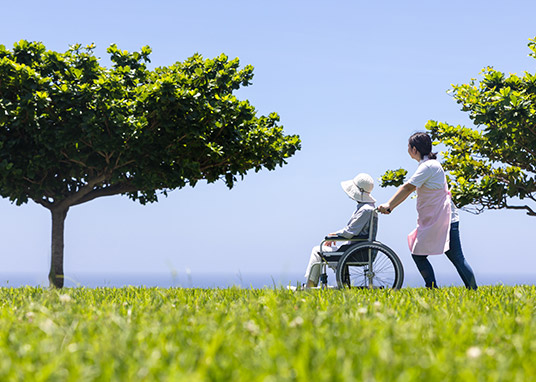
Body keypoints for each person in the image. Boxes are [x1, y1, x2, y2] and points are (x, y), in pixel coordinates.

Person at [377, 132, 477, 289]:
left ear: (414, 149)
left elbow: (408, 187)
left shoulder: (428, 167)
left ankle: (444, 289)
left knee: (451, 257)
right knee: (425, 255)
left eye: (409, 147)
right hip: (440, 219)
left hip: (444, 219)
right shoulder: (429, 165)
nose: (408, 149)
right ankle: (437, 288)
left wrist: (389, 205)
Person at [303, 173, 376, 288]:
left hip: (355, 251)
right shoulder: (368, 208)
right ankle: (312, 284)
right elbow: (352, 231)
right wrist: (336, 235)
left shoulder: (365, 210)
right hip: (358, 248)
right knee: (320, 249)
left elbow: (349, 233)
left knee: (317, 250)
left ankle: (309, 286)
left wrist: (333, 236)